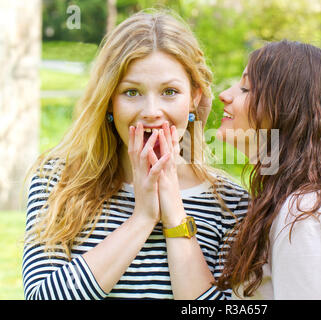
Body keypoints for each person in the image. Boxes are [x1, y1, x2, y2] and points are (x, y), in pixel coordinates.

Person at [22, 10, 248, 300]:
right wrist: (142, 217)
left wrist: (173, 211)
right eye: (131, 92)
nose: (151, 111)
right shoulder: (57, 182)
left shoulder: (232, 204)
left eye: (169, 91)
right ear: (109, 101)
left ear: (194, 96)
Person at [215, 40, 321, 299]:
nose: (225, 94)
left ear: (288, 111)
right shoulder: (292, 205)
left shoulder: (308, 215)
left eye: (246, 88)